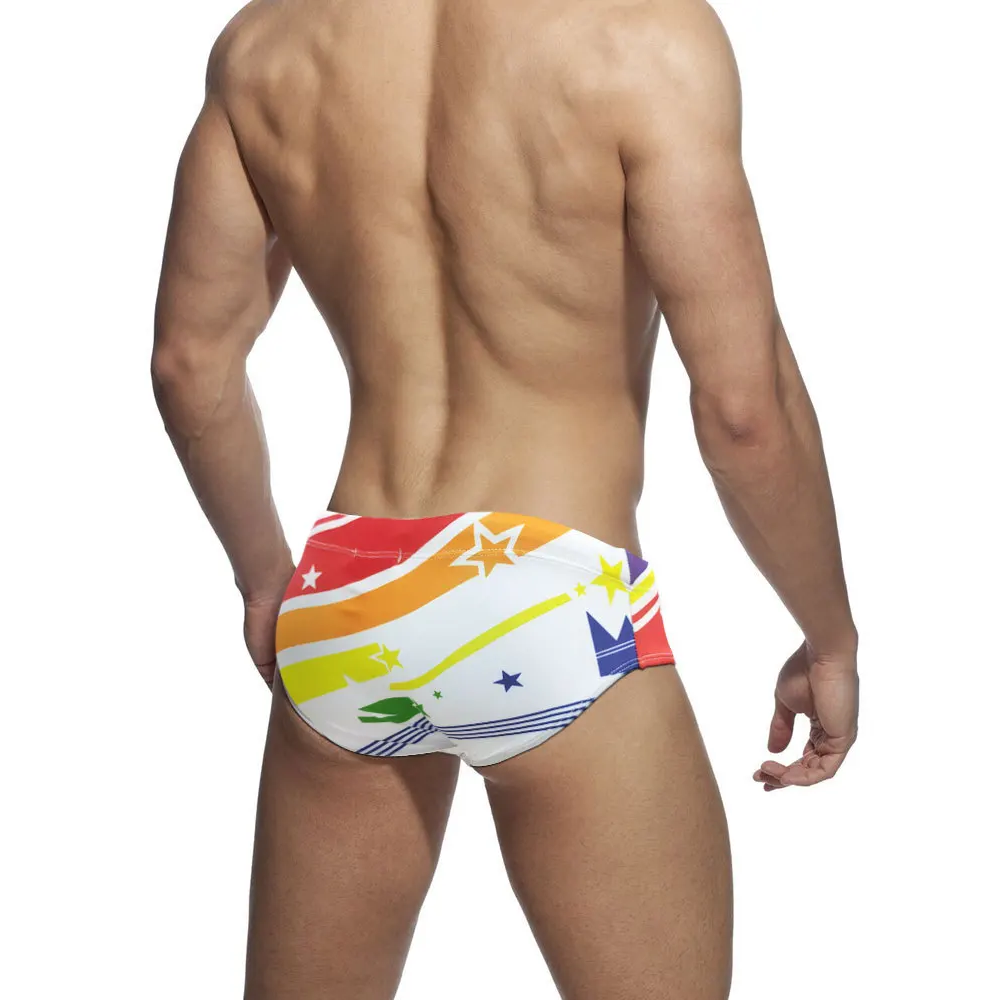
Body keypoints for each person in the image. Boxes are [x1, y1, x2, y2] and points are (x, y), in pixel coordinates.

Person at [151, 0, 860, 996]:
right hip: (555, 592)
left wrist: (267, 579)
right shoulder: (646, 37)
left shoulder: (267, 44)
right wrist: (828, 637)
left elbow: (190, 366)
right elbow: (745, 411)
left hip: (352, 593)